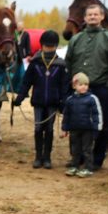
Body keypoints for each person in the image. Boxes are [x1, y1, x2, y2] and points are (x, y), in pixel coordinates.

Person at [64, 3, 108, 170]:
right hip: (79, 89)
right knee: (76, 123)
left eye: (96, 15)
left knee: (102, 124)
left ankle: (96, 159)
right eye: (89, 15)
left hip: (101, 88)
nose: (92, 17)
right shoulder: (76, 39)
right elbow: (69, 60)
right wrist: (72, 82)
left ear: (102, 17)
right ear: (84, 18)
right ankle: (78, 157)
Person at [13, 30, 67, 169]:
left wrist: (63, 103)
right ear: (42, 45)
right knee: (38, 128)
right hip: (38, 101)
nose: (49, 48)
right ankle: (38, 156)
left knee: (49, 129)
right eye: (46, 46)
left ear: (55, 46)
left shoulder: (61, 65)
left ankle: (47, 157)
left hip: (53, 103)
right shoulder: (35, 62)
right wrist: (20, 97)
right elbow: (26, 82)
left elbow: (64, 86)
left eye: (51, 46)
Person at [62, 72, 103, 178]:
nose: (84, 87)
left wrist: (97, 127)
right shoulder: (70, 100)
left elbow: (97, 114)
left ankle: (88, 168)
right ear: (74, 86)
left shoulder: (92, 99)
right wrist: (65, 128)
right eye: (81, 85)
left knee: (87, 149)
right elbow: (66, 115)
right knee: (75, 149)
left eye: (86, 84)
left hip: (87, 129)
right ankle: (74, 166)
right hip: (74, 129)